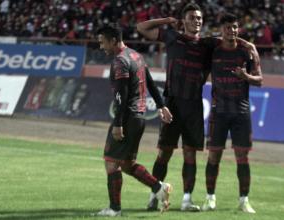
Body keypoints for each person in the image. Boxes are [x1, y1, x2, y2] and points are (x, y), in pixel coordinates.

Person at [137, 2, 261, 212]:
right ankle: (154, 194)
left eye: (200, 18)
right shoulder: (171, 37)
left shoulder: (207, 44)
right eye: (193, 17)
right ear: (184, 20)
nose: (197, 21)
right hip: (172, 103)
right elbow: (142, 28)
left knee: (190, 154)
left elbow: (229, 37)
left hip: (194, 104)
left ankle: (186, 200)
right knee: (164, 153)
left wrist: (249, 44)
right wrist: (167, 21)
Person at [95, 25, 173, 217]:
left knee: (111, 163)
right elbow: (150, 82)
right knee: (127, 164)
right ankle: (158, 187)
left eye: (102, 42)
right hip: (140, 117)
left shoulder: (120, 61)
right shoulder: (136, 56)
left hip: (127, 118)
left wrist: (118, 123)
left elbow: (122, 96)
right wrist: (161, 105)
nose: (101, 47)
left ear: (113, 40)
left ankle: (114, 209)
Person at [201, 13, 262, 214]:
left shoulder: (247, 51)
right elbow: (199, 41)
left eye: (235, 27)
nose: (232, 31)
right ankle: (210, 199)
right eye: (228, 27)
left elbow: (259, 80)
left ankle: (244, 200)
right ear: (222, 29)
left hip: (241, 111)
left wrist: (245, 76)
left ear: (238, 29)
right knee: (213, 156)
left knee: (242, 157)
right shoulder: (213, 49)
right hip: (219, 111)